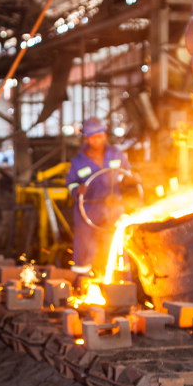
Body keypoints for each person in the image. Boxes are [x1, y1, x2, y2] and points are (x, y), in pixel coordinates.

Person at [66, 117, 138, 278]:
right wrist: (78, 189)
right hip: (88, 214)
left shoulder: (116, 154)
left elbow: (127, 176)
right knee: (83, 252)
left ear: (104, 135)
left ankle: (123, 285)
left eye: (99, 135)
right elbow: (70, 185)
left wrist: (132, 180)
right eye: (92, 137)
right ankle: (81, 287)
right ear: (87, 138)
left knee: (117, 247)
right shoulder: (78, 161)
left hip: (113, 211)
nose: (96, 140)